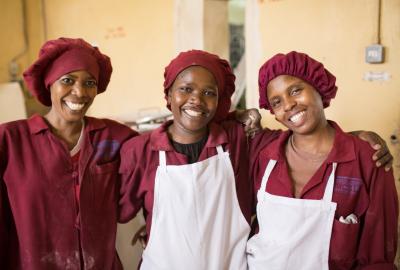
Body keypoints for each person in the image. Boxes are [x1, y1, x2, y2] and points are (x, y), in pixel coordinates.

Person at [246, 51, 398, 269]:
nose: (288, 105)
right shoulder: (264, 154)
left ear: (319, 87)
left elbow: (378, 255)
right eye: (277, 102)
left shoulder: (367, 159)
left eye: (296, 90)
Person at [0, 37, 138, 270]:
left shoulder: (113, 137)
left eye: (89, 82)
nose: (79, 92)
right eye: (68, 80)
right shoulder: (11, 141)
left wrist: (157, 221)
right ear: (49, 83)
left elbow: (155, 161)